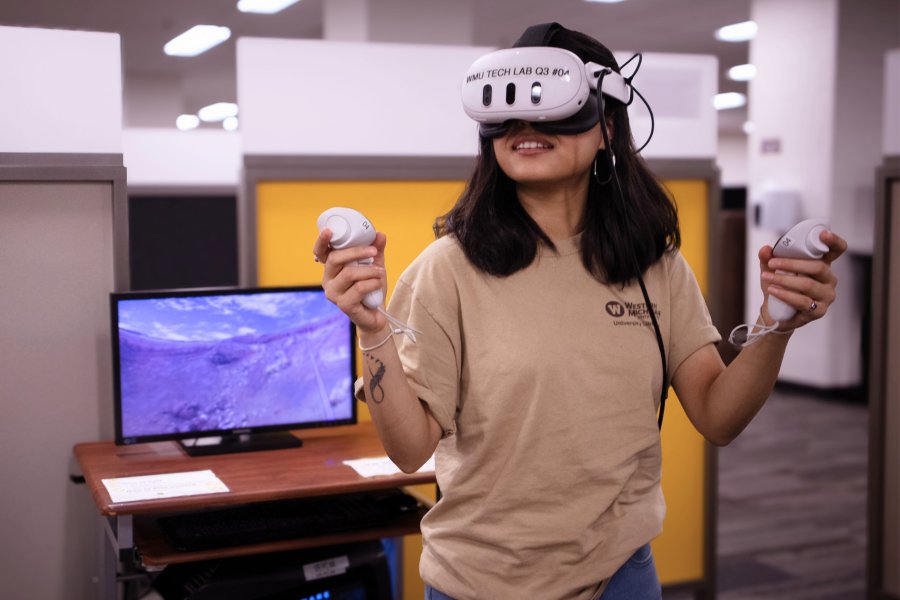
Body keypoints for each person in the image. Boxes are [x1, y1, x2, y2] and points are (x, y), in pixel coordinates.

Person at [313, 22, 847, 600]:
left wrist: (777, 326)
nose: (526, 127)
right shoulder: (449, 269)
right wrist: (372, 330)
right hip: (485, 583)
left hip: (623, 576)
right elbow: (411, 449)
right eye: (508, 111)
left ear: (606, 127)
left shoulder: (654, 267)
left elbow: (718, 417)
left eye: (553, 105)